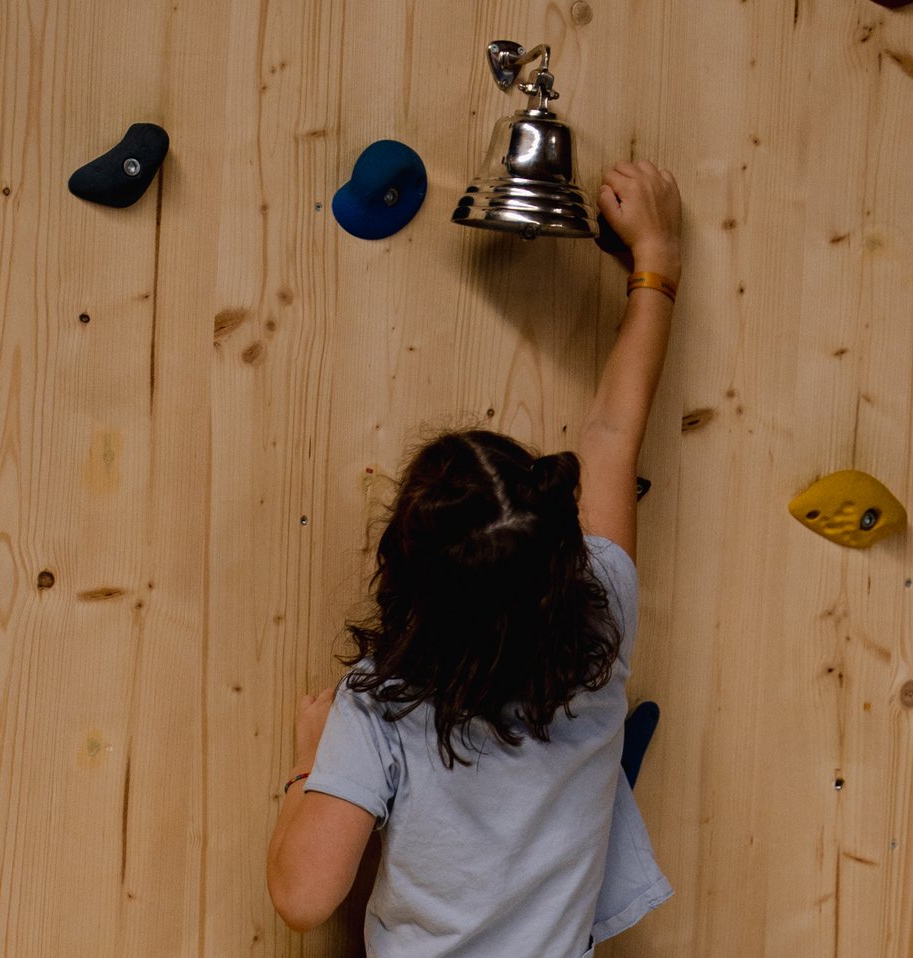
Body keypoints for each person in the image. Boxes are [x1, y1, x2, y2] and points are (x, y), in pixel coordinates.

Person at [266, 161, 683, 955]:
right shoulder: (603, 619)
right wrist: (655, 265)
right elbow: (610, 436)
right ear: (560, 550)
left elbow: (302, 897)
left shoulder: (382, 703)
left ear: (405, 575)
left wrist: (308, 764)